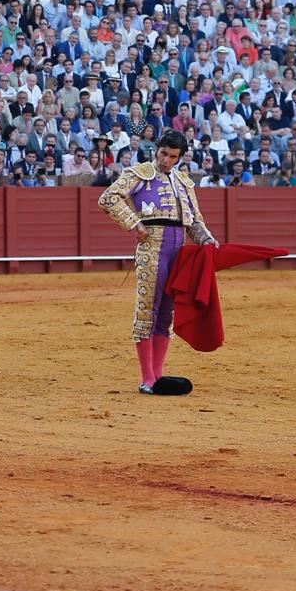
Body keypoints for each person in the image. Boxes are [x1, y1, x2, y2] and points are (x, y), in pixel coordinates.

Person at [97, 130, 219, 395]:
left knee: (166, 314)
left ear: (180, 157)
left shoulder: (185, 182)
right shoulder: (139, 173)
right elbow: (108, 198)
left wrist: (207, 240)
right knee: (147, 312)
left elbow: (194, 222)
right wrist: (134, 222)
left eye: (173, 157)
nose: (166, 161)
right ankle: (147, 378)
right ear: (157, 149)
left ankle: (159, 376)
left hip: (179, 252)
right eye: (164, 154)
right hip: (152, 249)